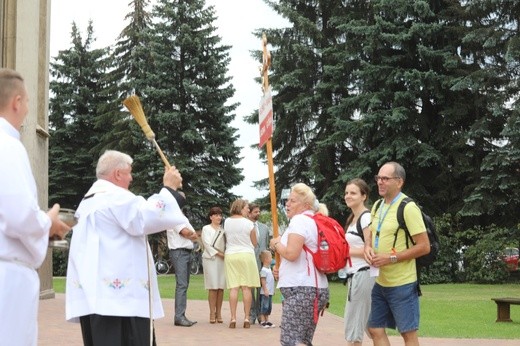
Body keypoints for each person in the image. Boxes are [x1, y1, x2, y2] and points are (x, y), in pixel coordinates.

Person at [65, 149, 189, 346]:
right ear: (117, 174)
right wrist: (170, 189)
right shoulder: (113, 197)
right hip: (122, 302)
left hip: (97, 297)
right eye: (129, 172)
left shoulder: (88, 202)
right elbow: (145, 217)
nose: (131, 178)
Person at [0, 68, 70, 346]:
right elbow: (19, 216)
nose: (28, 108)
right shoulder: (8, 146)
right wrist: (48, 221)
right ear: (17, 102)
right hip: (8, 278)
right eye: (28, 101)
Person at [364, 162, 430, 346]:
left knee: (408, 334)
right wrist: (367, 247)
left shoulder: (408, 207)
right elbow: (371, 231)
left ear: (399, 182)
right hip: (380, 281)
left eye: (385, 178)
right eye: (378, 178)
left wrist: (390, 258)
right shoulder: (377, 205)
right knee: (374, 328)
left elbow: (424, 246)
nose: (380, 182)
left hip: (403, 284)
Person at [269, 183, 330, 346]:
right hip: (312, 288)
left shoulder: (300, 221)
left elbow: (291, 253)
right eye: (287, 200)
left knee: (291, 341)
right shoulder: (314, 220)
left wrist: (276, 244)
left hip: (302, 290)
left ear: (305, 205)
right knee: (302, 340)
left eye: (293, 201)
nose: (287, 204)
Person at [343, 178, 375, 345]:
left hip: (363, 274)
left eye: (353, 193)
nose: (348, 196)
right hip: (355, 275)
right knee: (372, 328)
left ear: (364, 196)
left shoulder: (366, 217)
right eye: (347, 192)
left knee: (354, 328)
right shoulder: (352, 219)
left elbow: (372, 251)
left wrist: (345, 252)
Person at [223, 198, 260, 329]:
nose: (248, 210)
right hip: (246, 254)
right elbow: (255, 242)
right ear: (240, 208)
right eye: (246, 208)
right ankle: (246, 317)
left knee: (233, 287)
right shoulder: (248, 223)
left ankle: (233, 318)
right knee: (246, 287)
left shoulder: (226, 221)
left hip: (231, 254)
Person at [167, 211, 199, 327]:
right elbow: (186, 233)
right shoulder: (175, 218)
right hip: (179, 252)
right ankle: (179, 317)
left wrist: (192, 234)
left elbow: (192, 234)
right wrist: (192, 234)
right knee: (182, 285)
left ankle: (181, 315)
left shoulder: (181, 217)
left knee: (184, 285)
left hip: (185, 252)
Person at [201, 206, 226, 324]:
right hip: (210, 259)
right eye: (216, 215)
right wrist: (219, 254)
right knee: (213, 287)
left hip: (222, 261)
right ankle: (212, 313)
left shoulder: (223, 229)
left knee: (221, 287)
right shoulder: (206, 228)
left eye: (220, 215)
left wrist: (224, 254)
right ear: (211, 217)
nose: (218, 217)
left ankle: (219, 313)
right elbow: (207, 244)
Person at [248, 203, 271, 324]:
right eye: (256, 211)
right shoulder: (245, 226)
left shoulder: (264, 228)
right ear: (249, 213)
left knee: (261, 290)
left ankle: (260, 314)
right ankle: (251, 315)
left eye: (259, 211)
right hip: (250, 262)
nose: (258, 213)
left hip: (262, 264)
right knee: (250, 290)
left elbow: (265, 246)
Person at [258, 250, 276, 329]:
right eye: (270, 257)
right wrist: (265, 289)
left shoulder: (269, 269)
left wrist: (272, 290)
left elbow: (271, 281)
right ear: (266, 259)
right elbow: (263, 280)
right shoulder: (263, 270)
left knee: (269, 307)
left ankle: (267, 320)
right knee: (264, 306)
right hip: (265, 292)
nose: (271, 259)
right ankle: (262, 321)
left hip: (270, 292)